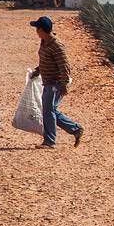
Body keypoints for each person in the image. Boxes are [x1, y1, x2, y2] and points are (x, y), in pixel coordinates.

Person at [29, 16, 84, 149]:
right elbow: (46, 61)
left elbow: (65, 66)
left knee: (48, 110)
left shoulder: (56, 45)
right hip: (48, 82)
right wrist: (38, 71)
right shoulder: (44, 42)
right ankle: (75, 129)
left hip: (56, 83)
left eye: (37, 28)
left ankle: (50, 141)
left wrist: (64, 85)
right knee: (50, 110)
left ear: (42, 30)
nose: (36, 31)